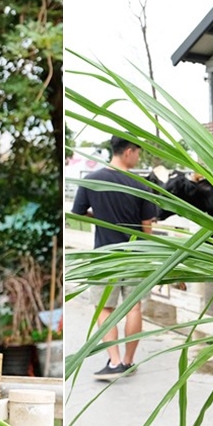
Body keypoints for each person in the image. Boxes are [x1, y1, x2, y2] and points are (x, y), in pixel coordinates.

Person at [71, 135, 158, 381]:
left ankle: (115, 361)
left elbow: (78, 213)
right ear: (128, 152)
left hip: (104, 256)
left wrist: (99, 216)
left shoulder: (92, 180)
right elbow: (146, 227)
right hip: (135, 255)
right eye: (138, 152)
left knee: (104, 308)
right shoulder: (140, 185)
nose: (138, 157)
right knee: (134, 307)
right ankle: (129, 361)